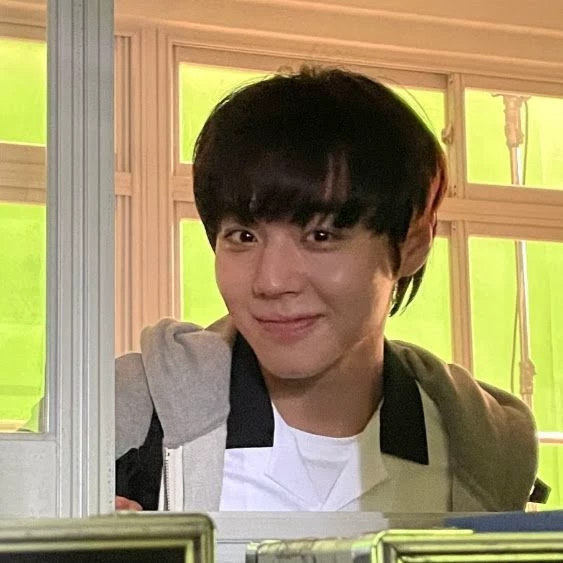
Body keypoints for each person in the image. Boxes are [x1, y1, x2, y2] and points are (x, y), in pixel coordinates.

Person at [115, 67, 538, 513]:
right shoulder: (125, 415)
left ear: (413, 244)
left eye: (320, 236)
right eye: (243, 236)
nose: (272, 282)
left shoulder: (479, 450)